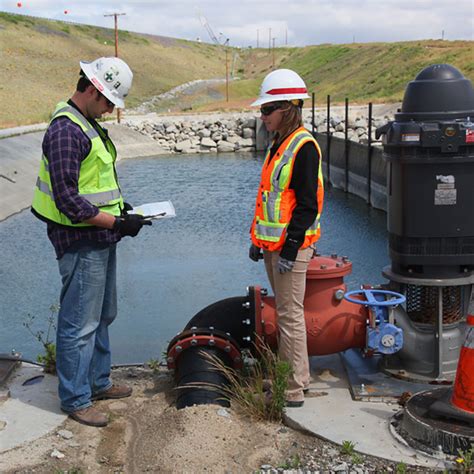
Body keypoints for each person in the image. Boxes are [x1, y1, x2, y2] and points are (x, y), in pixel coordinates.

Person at [31, 57, 152, 427]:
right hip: (80, 241)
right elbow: (68, 200)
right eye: (109, 102)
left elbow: (92, 186)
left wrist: (121, 211)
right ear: (92, 89)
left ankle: (98, 381)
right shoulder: (67, 131)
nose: (111, 110)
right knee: (78, 323)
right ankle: (76, 399)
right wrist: (117, 221)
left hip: (99, 235)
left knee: (102, 315)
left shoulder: (88, 123)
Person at [249, 69, 324, 407]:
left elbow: (308, 205)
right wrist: (258, 240)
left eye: (267, 110)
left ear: (288, 107)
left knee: (290, 315)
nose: (262, 116)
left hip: (291, 249)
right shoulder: (278, 144)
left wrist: (292, 249)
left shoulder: (304, 147)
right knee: (285, 313)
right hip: (274, 247)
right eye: (262, 110)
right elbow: (270, 197)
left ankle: (293, 387)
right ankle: (292, 377)